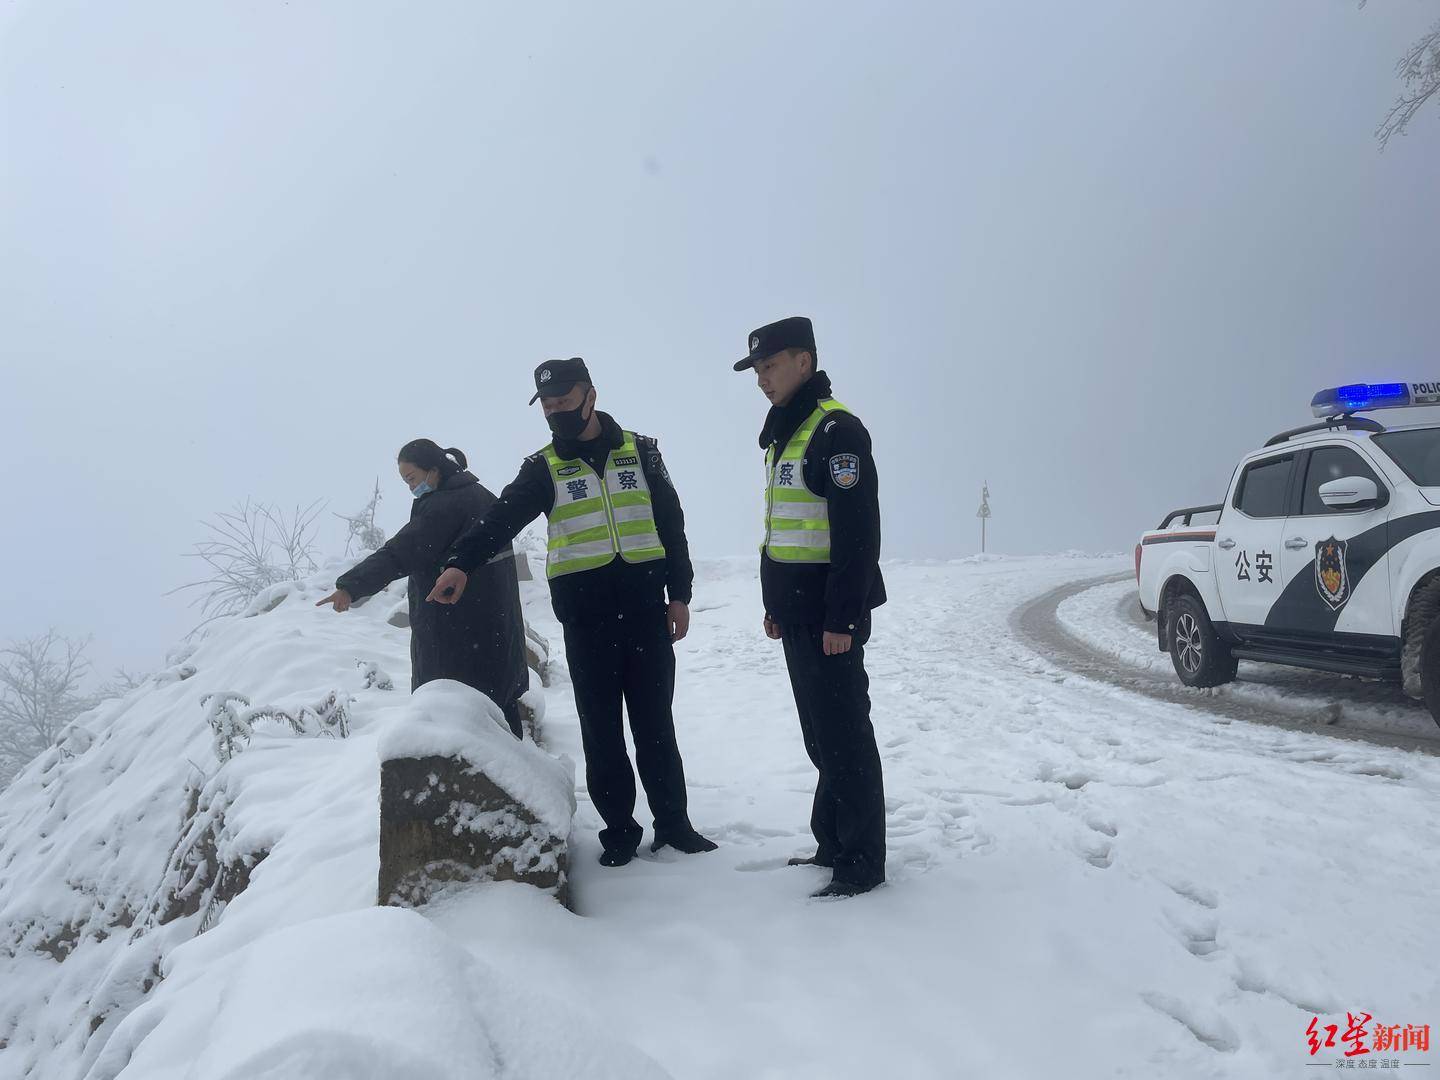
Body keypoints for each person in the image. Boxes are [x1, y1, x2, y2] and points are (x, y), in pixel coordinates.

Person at [427, 358, 716, 867]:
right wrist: (460, 565)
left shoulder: (641, 452)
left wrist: (680, 593)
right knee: (601, 728)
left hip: (647, 611)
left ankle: (674, 826)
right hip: (587, 621)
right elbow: (501, 519)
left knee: (655, 725)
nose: (556, 412)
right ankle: (620, 832)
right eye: (548, 405)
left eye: (564, 400)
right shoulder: (542, 467)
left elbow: (671, 523)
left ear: (590, 395)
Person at [735, 316, 888, 899]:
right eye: (756, 371)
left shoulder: (836, 431)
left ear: (804, 361)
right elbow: (786, 529)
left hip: (831, 619)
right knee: (821, 738)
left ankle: (861, 861)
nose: (761, 380)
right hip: (799, 614)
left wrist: (842, 620)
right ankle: (831, 841)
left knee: (845, 737)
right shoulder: (785, 433)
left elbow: (856, 536)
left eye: (769, 366)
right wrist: (776, 604)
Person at [317, 440, 529, 738]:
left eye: (412, 479)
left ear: (433, 470)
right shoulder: (482, 495)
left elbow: (399, 553)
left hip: (456, 633)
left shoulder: (444, 506)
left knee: (457, 725)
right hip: (497, 632)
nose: (411, 488)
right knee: (501, 720)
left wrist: (350, 587)